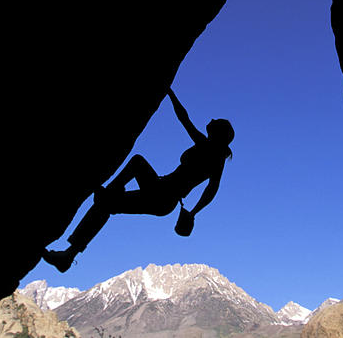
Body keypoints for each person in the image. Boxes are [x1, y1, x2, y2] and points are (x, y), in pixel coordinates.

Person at [41, 87, 234, 272]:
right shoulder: (212, 153)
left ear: (218, 133)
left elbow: (185, 119)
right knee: (108, 203)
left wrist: (170, 93)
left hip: (162, 194)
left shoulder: (211, 151)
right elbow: (211, 189)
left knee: (135, 164)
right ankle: (68, 255)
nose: (211, 119)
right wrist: (192, 212)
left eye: (216, 121)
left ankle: (109, 193)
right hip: (162, 196)